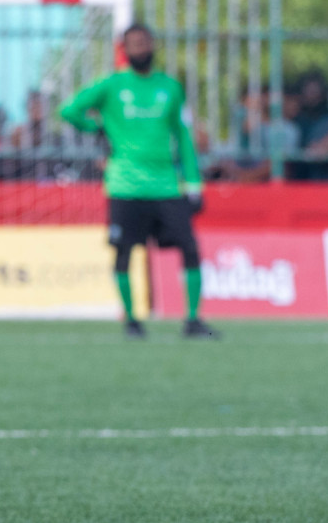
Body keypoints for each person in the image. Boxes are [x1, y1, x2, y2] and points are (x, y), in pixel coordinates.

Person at [60, 23, 216, 340]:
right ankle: (131, 320)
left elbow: (183, 136)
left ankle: (193, 320)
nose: (140, 49)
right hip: (125, 185)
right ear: (124, 49)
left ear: (152, 46)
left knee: (189, 247)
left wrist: (194, 182)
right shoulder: (112, 85)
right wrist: (96, 129)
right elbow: (70, 110)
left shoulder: (170, 88)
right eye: (133, 44)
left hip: (166, 185)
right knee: (124, 252)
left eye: (144, 43)